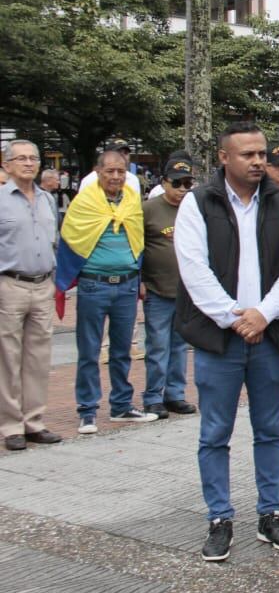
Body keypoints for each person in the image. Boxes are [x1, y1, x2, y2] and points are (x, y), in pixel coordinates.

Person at [174, 122, 279, 562]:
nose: (258, 161)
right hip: (219, 338)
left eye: (262, 153)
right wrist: (235, 318)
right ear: (223, 158)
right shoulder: (197, 202)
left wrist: (264, 313)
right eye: (247, 154)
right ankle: (219, 518)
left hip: (270, 335)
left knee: (270, 430)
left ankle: (271, 513)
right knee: (215, 434)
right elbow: (193, 270)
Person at [57, 148, 155, 434]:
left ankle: (121, 405)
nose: (115, 176)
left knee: (123, 350)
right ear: (97, 172)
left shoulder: (133, 200)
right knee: (89, 351)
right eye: (109, 171)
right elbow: (71, 238)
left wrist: (138, 278)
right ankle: (87, 410)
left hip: (126, 285)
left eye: (120, 171)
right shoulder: (84, 202)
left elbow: (138, 241)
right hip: (93, 285)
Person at [0, 141, 61, 450]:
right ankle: (11, 425)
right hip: (9, 284)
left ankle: (34, 421)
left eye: (33, 158)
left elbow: (54, 242)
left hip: (42, 285)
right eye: (20, 158)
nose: (28, 163)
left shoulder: (47, 200)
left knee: (38, 358)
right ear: (7, 165)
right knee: (8, 358)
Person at [140, 157, 198, 419]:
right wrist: (139, 279)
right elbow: (136, 246)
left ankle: (175, 394)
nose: (182, 189)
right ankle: (153, 396)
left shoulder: (193, 208)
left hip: (186, 292)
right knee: (157, 345)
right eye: (177, 184)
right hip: (157, 289)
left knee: (179, 346)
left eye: (187, 183)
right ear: (164, 183)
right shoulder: (148, 209)